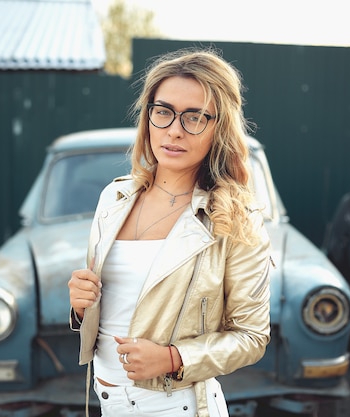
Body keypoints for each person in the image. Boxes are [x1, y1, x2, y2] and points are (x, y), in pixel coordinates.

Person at [68, 47, 272, 417]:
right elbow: (111, 306)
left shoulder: (234, 217)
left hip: (177, 406)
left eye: (194, 117)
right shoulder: (114, 198)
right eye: (163, 112)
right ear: (147, 117)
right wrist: (81, 305)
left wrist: (173, 358)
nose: (175, 130)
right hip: (106, 403)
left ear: (218, 126)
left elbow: (252, 336)